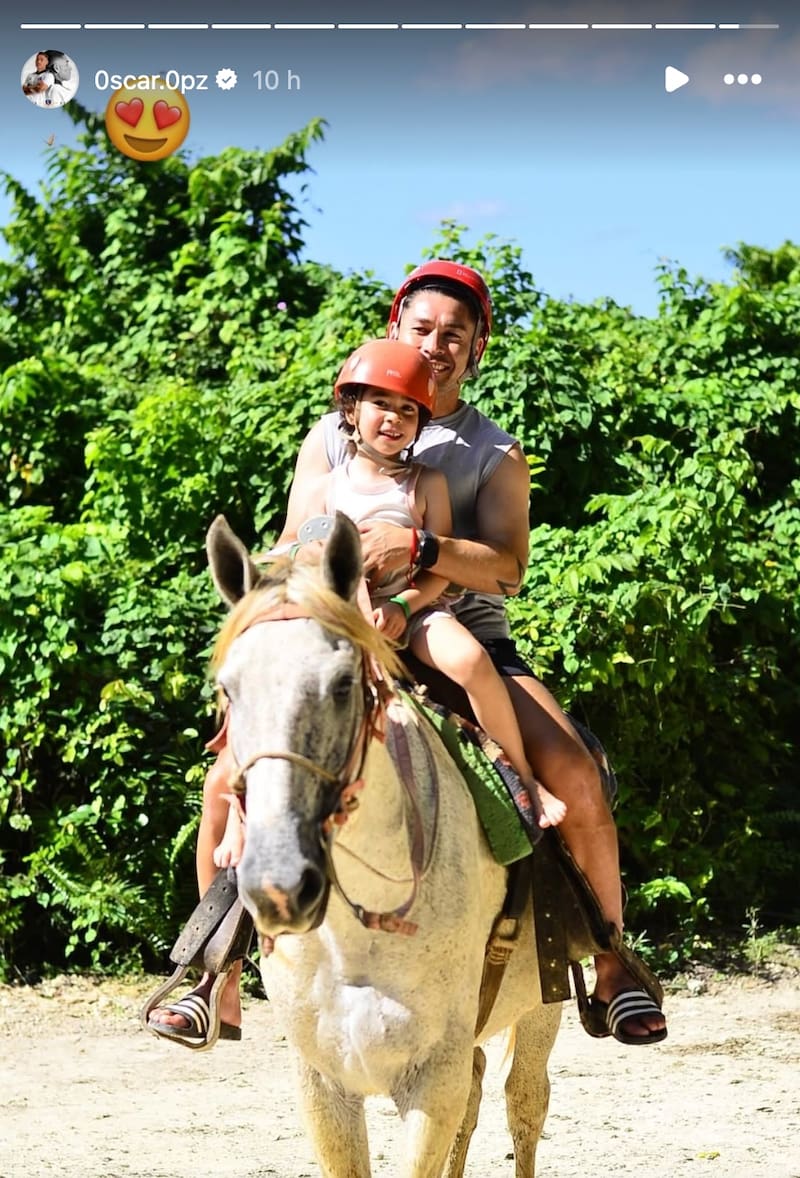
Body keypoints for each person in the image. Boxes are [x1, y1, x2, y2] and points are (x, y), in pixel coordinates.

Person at [148, 260, 666, 1048]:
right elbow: (295, 537)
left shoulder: (492, 451)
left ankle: (610, 963)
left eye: (455, 334)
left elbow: (509, 568)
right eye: (422, 327)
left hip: (453, 628)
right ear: (396, 328)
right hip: (338, 630)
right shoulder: (332, 433)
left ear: (478, 347)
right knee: (228, 777)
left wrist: (419, 549)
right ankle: (214, 973)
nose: (436, 344)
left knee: (578, 775)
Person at [212, 339, 565, 871]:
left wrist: (402, 604)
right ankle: (233, 840)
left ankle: (522, 781)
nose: (395, 419)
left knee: (470, 660)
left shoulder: (427, 484)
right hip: (339, 619)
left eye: (408, 411)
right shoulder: (325, 486)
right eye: (381, 404)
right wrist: (299, 560)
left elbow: (436, 570)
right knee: (265, 693)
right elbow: (291, 547)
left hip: (412, 611)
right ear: (351, 410)